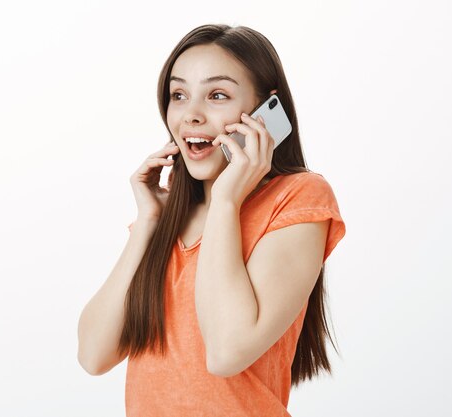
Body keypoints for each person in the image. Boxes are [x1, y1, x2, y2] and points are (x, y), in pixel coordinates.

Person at [78, 23, 346, 416]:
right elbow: (93, 355)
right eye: (179, 95)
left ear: (265, 112)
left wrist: (224, 201)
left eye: (217, 95)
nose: (191, 115)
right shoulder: (168, 216)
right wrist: (149, 222)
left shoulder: (298, 197)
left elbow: (225, 352)